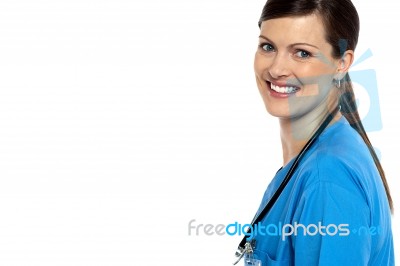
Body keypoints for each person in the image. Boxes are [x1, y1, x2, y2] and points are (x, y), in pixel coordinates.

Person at [234, 0, 395, 265]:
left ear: (342, 62)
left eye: (302, 53)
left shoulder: (327, 178)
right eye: (268, 46)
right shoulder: (321, 156)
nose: (276, 69)